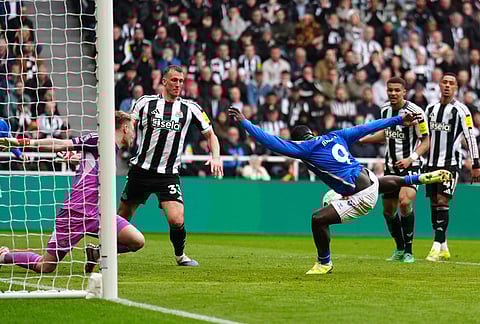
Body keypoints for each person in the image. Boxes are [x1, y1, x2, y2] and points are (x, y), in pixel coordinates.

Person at [228, 107, 451, 275]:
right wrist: (400, 119)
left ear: (297, 140)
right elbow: (369, 126)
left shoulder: (305, 149)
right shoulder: (336, 135)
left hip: (359, 197)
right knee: (376, 183)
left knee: (318, 219)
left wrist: (246, 123)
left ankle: (324, 262)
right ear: (312, 132)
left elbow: (273, 142)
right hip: (368, 178)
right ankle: (415, 178)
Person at [0, 111, 145, 273]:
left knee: (137, 240)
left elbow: (88, 161)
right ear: (125, 128)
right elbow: (61, 144)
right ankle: (4, 256)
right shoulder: (99, 139)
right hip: (75, 212)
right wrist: (22, 143)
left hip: (98, 213)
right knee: (46, 266)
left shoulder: (112, 149)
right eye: (133, 128)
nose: (134, 134)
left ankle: (96, 253)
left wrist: (74, 157)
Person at [119, 65, 223, 267]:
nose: (178, 84)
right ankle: (101, 252)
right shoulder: (144, 103)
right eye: (174, 80)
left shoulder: (191, 108)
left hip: (167, 174)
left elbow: (211, 135)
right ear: (164, 82)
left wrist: (216, 156)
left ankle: (180, 255)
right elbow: (128, 124)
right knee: (121, 218)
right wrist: (125, 135)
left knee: (176, 219)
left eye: (181, 81)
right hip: (140, 171)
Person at [359, 77, 430, 263]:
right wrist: (363, 139)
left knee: (404, 203)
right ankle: (399, 247)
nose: (393, 93)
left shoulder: (416, 112)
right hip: (390, 167)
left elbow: (426, 141)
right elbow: (386, 133)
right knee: (388, 212)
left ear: (404, 92)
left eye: (397, 90)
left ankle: (409, 250)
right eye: (390, 90)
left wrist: (410, 159)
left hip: (411, 166)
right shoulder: (385, 110)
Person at [423, 72, 480, 262]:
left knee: (442, 201)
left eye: (451, 83)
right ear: (439, 85)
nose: (447, 85)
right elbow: (423, 136)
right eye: (444, 82)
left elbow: (470, 137)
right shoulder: (430, 109)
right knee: (433, 204)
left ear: (456, 88)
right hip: (430, 164)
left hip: (450, 163)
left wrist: (476, 163)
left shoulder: (462, 111)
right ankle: (444, 244)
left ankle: (435, 246)